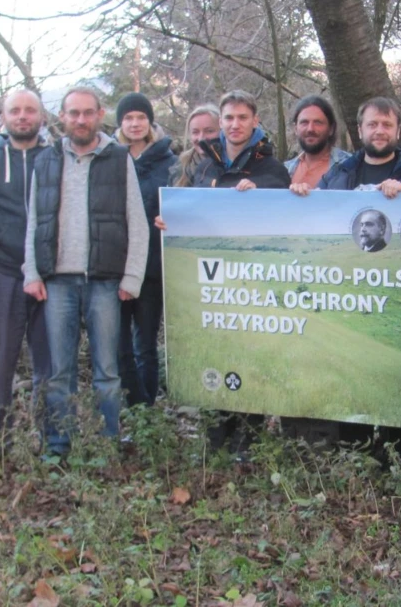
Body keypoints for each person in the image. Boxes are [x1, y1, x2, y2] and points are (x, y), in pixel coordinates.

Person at [156, 90, 291, 459]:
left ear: (255, 122)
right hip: (211, 279)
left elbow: (281, 216)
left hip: (252, 278)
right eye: (228, 118)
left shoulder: (271, 167)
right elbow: (194, 213)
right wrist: (172, 222)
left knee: (251, 354)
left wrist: (258, 191)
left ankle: (247, 438)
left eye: (242, 118)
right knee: (215, 352)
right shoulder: (205, 165)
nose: (234, 125)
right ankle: (215, 437)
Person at [289, 96, 401, 452]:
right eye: (372, 124)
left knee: (396, 374)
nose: (379, 131)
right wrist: (302, 196)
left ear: (397, 130)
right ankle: (358, 453)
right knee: (353, 371)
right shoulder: (340, 174)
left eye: (386, 124)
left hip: (397, 299)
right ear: (360, 129)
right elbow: (315, 221)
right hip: (348, 296)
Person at [23, 86, 149, 456]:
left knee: (107, 373)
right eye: (73, 113)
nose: (80, 119)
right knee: (59, 373)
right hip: (57, 280)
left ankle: (105, 445)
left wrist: (132, 277)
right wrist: (31, 272)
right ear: (61, 116)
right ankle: (58, 446)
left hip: (105, 281)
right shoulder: (45, 160)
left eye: (87, 113)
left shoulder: (118, 158)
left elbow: (136, 222)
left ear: (99, 115)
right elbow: (34, 220)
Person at [0, 88, 54, 464]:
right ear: (4, 117)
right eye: (15, 111)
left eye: (29, 110)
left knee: (49, 365)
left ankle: (50, 440)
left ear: (42, 117)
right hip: (2, 274)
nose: (22, 116)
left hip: (51, 276)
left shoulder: (54, 159)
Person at [114, 92, 177, 407]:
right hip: (114, 266)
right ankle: (129, 408)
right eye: (128, 118)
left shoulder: (169, 162)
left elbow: (179, 206)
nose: (135, 123)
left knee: (145, 345)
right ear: (120, 123)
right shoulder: (109, 158)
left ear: (150, 122)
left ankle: (147, 410)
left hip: (152, 267)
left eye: (141, 117)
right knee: (118, 344)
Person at [283, 95, 351, 188]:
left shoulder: (351, 167)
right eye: (304, 122)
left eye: (318, 122)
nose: (310, 129)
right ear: (296, 129)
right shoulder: (285, 170)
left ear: (331, 129)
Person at [170, 105, 219, 187]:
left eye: (209, 131)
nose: (201, 138)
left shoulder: (233, 164)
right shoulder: (180, 167)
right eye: (195, 132)